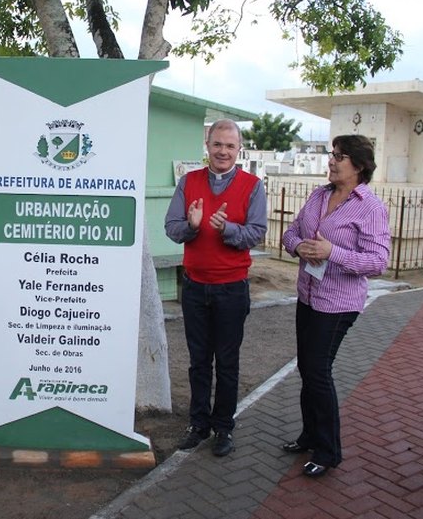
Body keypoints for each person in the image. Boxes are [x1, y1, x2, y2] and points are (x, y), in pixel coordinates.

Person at [281, 134, 390, 477]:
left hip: (339, 303)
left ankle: (328, 452)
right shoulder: (319, 194)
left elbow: (378, 261)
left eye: (339, 156)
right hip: (308, 295)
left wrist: (333, 253)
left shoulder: (370, 207)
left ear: (358, 166)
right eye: (332, 154)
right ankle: (309, 435)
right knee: (307, 369)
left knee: (317, 371)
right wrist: (299, 247)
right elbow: (291, 232)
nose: (331, 161)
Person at [164, 119, 267, 455]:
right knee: (197, 361)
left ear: (239, 150)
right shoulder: (188, 182)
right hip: (194, 287)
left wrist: (229, 230)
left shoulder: (253, 186)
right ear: (207, 146)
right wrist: (192, 227)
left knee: (226, 361)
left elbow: (257, 232)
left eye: (230, 146)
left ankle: (223, 427)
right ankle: (198, 424)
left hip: (231, 289)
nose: (223, 151)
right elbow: (171, 227)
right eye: (217, 144)